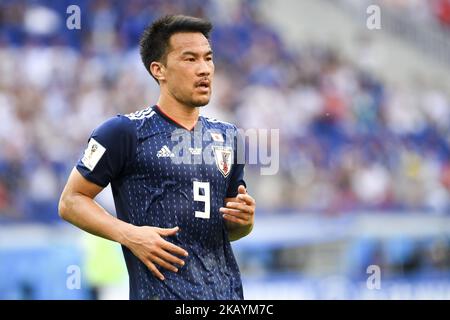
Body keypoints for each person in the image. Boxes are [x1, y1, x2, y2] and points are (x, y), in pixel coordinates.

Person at [58, 14, 255, 300]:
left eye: (208, 58)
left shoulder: (228, 137)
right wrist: (129, 235)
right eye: (190, 59)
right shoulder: (123, 132)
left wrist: (244, 222)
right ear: (158, 70)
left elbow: (223, 231)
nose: (205, 69)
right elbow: (70, 201)